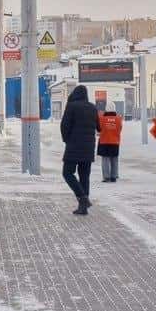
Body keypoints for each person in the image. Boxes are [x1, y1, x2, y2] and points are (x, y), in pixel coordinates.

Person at [60, 85, 100, 215]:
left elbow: (64, 125)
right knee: (84, 176)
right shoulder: (93, 107)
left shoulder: (71, 106)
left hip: (73, 146)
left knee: (67, 173)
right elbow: (99, 127)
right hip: (88, 148)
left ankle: (82, 198)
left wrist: (67, 140)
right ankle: (83, 207)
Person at [97, 102, 123, 183]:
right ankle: (114, 176)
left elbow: (98, 129)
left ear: (106, 109)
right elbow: (120, 129)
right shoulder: (118, 119)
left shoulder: (101, 118)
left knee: (105, 159)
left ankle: (106, 177)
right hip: (115, 141)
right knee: (114, 159)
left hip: (104, 141)